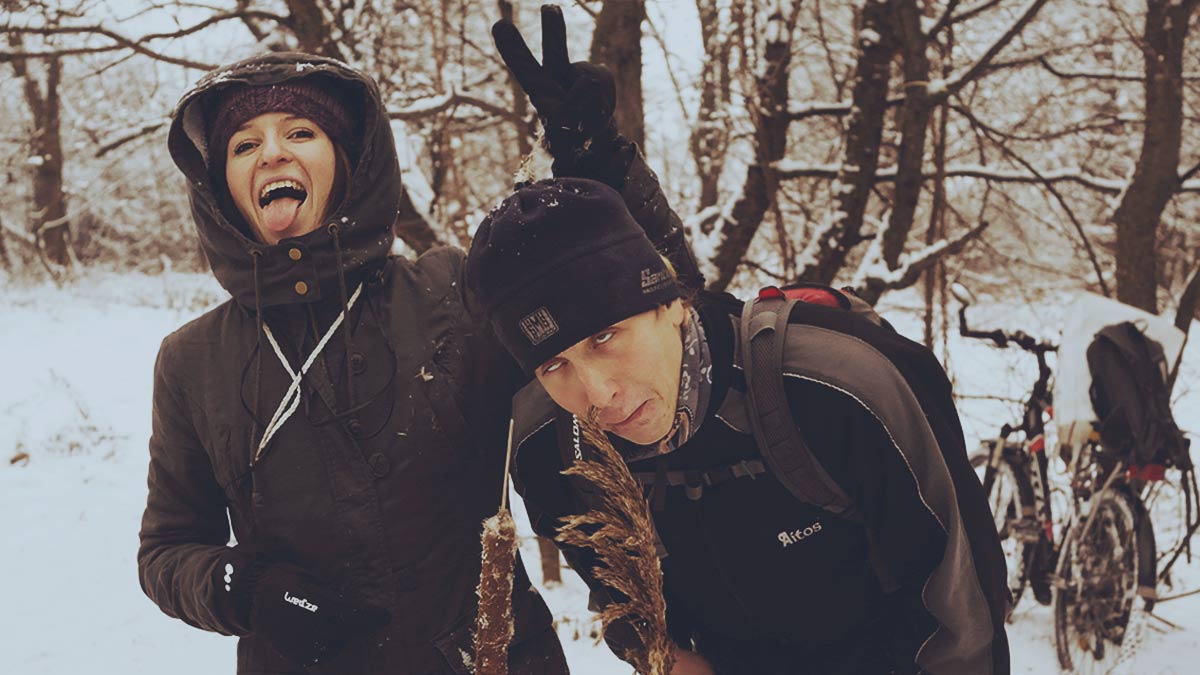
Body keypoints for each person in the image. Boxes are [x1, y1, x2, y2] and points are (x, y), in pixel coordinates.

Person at [137, 52, 577, 674]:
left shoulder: (453, 292)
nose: (271, 154)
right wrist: (243, 588)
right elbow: (167, 549)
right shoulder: (192, 359)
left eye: (300, 133)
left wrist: (601, 175)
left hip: (487, 658)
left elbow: (614, 347)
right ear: (221, 189)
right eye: (244, 145)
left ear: (348, 162)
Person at [465, 176, 1012, 675]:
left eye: (605, 337)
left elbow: (962, 617)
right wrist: (661, 654)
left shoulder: (840, 386)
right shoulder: (551, 449)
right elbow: (617, 595)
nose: (597, 395)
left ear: (672, 303)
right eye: (554, 366)